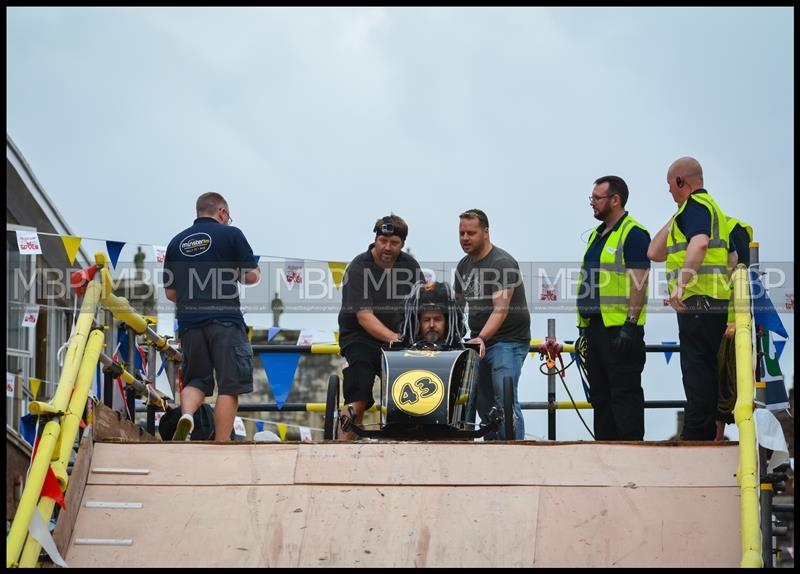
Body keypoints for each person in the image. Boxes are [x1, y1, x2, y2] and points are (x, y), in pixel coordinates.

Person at [648, 157, 737, 441]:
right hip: (716, 305)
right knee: (709, 373)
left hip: (698, 302)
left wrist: (681, 285)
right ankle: (708, 434)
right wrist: (678, 213)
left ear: (679, 182)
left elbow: (699, 243)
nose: (669, 193)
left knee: (696, 373)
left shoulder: (697, 208)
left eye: (670, 186)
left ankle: (696, 437)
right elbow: (654, 252)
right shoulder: (711, 212)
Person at [163, 192, 260, 442]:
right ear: (222, 212)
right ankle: (222, 443)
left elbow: (171, 292)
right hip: (225, 319)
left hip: (189, 323)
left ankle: (187, 415)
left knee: (196, 380)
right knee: (230, 385)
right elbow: (252, 276)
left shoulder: (176, 243)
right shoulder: (231, 234)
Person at [336, 214, 424, 440]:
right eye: (383, 241)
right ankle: (342, 449)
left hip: (400, 341)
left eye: (394, 243)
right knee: (358, 392)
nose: (387, 247)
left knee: (411, 396)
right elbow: (364, 317)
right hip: (360, 338)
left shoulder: (410, 266)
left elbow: (423, 304)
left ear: (402, 244)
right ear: (375, 238)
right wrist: (393, 337)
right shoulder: (358, 267)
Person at [577, 176, 650, 441]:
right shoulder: (597, 236)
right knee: (600, 396)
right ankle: (605, 454)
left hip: (620, 330)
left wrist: (631, 325)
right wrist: (583, 329)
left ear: (615, 200)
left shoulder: (633, 233)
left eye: (597, 198)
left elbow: (639, 282)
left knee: (624, 395)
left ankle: (631, 457)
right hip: (596, 329)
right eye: (592, 198)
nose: (592, 204)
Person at [454, 209, 530, 440]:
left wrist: (482, 338)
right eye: (461, 233)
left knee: (504, 397)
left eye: (471, 233)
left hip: (508, 340)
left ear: (486, 232)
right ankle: (492, 453)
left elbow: (501, 309)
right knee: (482, 401)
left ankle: (515, 453)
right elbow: (456, 308)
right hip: (479, 340)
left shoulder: (502, 262)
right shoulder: (463, 266)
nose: (465, 238)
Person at [401, 281, 466, 349]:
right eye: (426, 320)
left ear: (447, 322)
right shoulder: (402, 355)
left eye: (437, 319)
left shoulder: (459, 355)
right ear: (418, 323)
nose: (431, 325)